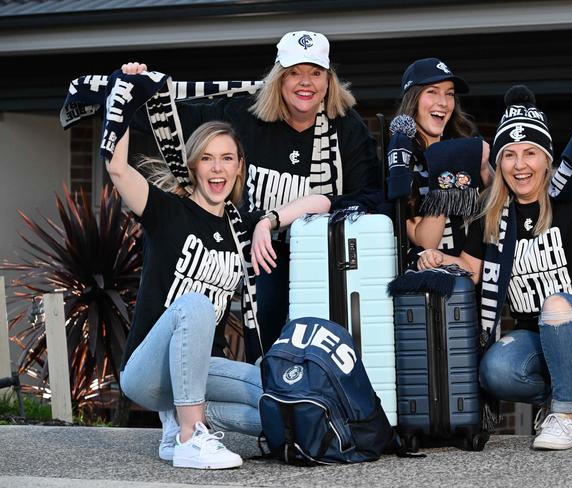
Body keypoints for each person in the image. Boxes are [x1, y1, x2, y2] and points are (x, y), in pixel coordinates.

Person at [122, 30, 381, 357]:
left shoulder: (347, 128)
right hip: (252, 255)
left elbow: (370, 198)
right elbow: (174, 121)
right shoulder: (245, 115)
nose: (306, 83)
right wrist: (137, 88)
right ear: (278, 78)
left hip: (323, 257)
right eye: (294, 73)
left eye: (315, 73)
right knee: (263, 341)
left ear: (328, 81)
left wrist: (281, 219)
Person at [417, 85, 572, 450]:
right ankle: (553, 399)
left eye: (530, 153)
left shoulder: (570, 200)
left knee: (557, 303)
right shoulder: (490, 215)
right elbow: (470, 269)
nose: (520, 165)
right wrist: (439, 259)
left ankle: (565, 415)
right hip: (537, 341)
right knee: (495, 370)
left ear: (547, 158)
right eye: (510, 155)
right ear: (499, 164)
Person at [112, 120, 330, 468]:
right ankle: (190, 437)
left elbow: (321, 201)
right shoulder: (167, 211)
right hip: (147, 373)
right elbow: (117, 168)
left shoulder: (238, 227)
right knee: (195, 303)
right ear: (193, 166)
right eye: (207, 158)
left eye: (227, 158)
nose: (218, 167)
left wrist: (267, 221)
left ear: (239, 166)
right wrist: (120, 102)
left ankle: (191, 416)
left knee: (286, 403)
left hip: (200, 370)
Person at [395, 57, 493, 256]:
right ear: (413, 98)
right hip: (430, 279)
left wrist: (483, 167)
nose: (443, 103)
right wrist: (446, 169)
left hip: (479, 274)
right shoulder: (400, 159)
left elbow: (501, 205)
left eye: (449, 94)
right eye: (432, 92)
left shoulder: (466, 143)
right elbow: (425, 242)